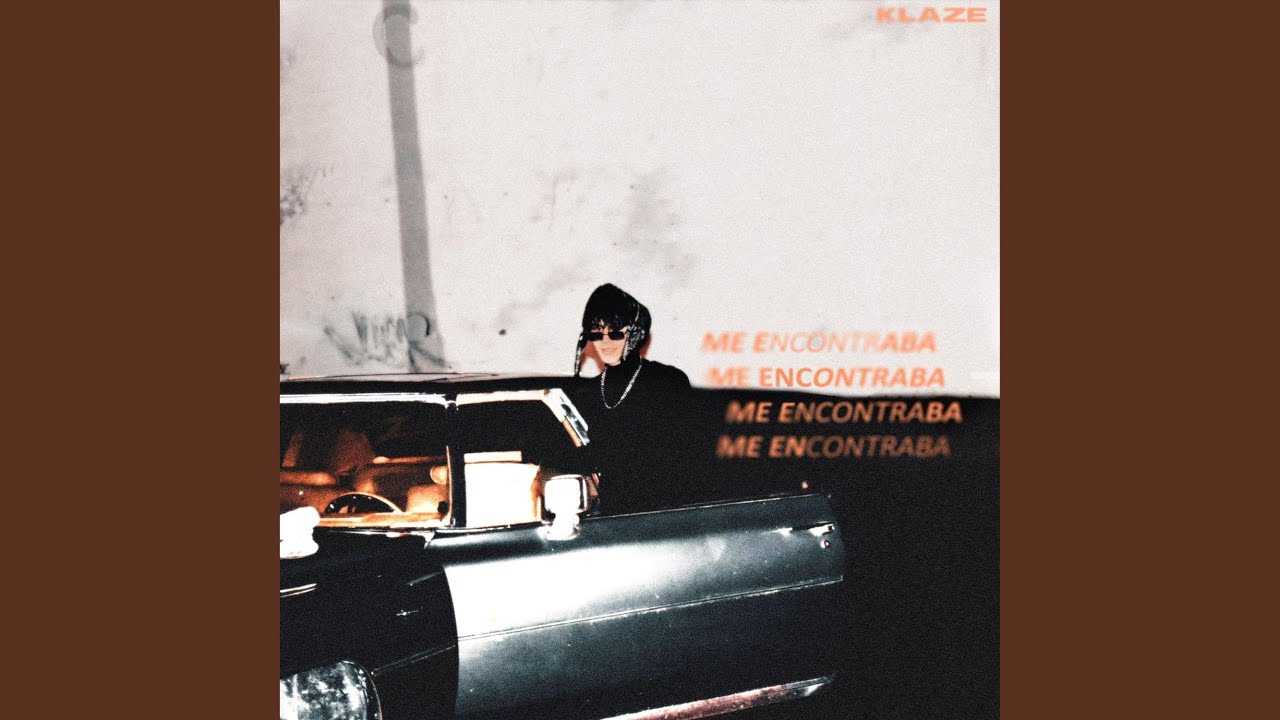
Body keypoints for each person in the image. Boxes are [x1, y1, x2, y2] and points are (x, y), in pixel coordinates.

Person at [566, 283, 693, 513]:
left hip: (665, 513)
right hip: (612, 517)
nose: (605, 342)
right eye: (596, 334)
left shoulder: (667, 382)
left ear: (634, 333)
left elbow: (686, 459)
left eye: (615, 333)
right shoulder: (588, 394)